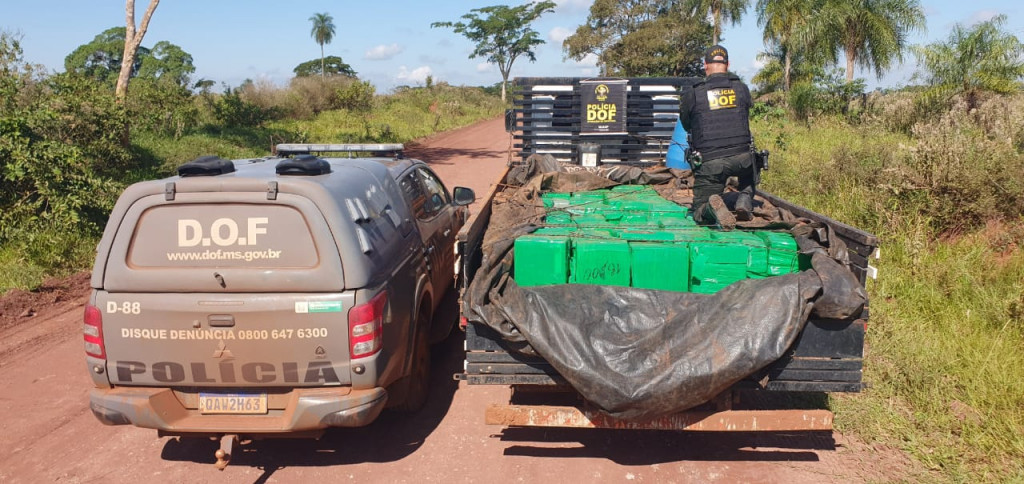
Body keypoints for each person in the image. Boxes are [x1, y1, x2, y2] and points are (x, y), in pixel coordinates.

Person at [678, 44, 755, 228]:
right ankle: (744, 198)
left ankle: (711, 209)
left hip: (711, 163)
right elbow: (745, 115)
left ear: (705, 65)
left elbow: (686, 123)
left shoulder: (695, 93)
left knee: (698, 211)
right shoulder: (741, 88)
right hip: (742, 159)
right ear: (727, 65)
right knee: (754, 163)